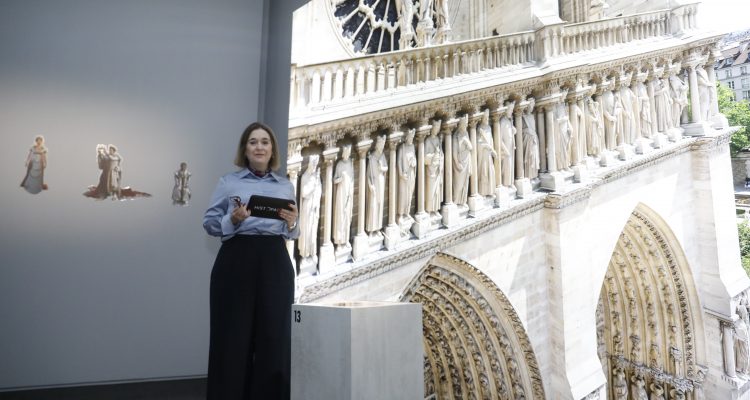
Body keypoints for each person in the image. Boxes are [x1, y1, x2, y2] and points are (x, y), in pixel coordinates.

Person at [202, 122, 299, 400]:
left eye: (265, 142)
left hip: (275, 261)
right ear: (245, 149)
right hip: (236, 259)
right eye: (253, 142)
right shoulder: (228, 182)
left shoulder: (285, 185)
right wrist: (232, 219)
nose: (259, 147)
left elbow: (292, 230)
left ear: (272, 150)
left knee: (274, 337)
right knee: (232, 338)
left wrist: (293, 224)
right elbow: (208, 223)